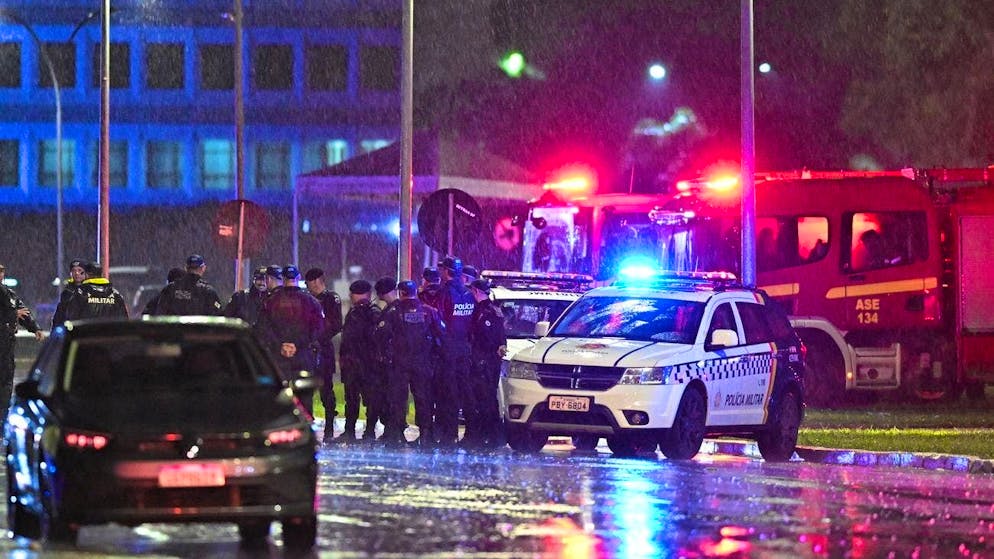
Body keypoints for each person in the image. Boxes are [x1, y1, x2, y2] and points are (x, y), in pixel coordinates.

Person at [377, 280, 444, 448]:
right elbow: (441, 335)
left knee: (398, 399)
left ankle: (397, 435)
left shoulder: (394, 312)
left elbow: (381, 335)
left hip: (400, 363)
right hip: (422, 363)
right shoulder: (429, 312)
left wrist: (386, 354)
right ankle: (426, 435)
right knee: (424, 399)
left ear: (401, 293)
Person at [254, 265, 325, 416]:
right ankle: (305, 431)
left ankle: (283, 431)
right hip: (303, 355)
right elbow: (317, 329)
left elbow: (263, 329)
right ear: (298, 278)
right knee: (304, 396)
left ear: (283, 279)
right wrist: (298, 345)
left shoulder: (270, 301)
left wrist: (280, 345)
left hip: (278, 356)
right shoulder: (311, 302)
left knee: (280, 396)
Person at [434, 256, 476, 448]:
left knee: (448, 393)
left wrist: (439, 341)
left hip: (448, 350)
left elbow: (439, 320)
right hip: (464, 349)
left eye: (442, 269)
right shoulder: (468, 293)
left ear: (447, 271)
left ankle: (449, 434)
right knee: (465, 392)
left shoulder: (444, 292)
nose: (440, 272)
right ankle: (472, 432)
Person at [338, 280, 382, 443]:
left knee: (370, 400)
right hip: (353, 364)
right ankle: (351, 431)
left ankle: (368, 432)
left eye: (353, 293)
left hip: (367, 365)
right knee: (352, 400)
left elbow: (374, 339)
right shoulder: (355, 311)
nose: (350, 296)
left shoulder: (372, 312)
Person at [0, 263, 44, 428]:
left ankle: (2, 419)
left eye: (2, 271)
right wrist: (11, 315)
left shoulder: (8, 293)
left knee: (5, 382)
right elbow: (14, 312)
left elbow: (23, 311)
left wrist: (35, 328)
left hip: (6, 344)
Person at [466, 278, 507, 449]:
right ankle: (487, 436)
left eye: (471, 291)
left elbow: (488, 339)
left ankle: (489, 436)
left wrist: (479, 357)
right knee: (485, 399)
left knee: (485, 399)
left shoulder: (487, 312)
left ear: (476, 292)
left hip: (485, 362)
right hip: (486, 361)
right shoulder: (491, 310)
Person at [304, 267, 344, 437]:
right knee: (305, 389)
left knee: (326, 389)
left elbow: (335, 324)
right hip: (306, 349)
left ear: (316, 282)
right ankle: (307, 426)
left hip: (323, 349)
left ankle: (329, 428)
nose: (308, 287)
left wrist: (318, 338)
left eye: (309, 284)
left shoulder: (331, 299)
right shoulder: (305, 298)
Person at [153, 254, 223, 316]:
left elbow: (160, 313)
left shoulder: (171, 288)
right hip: (198, 330)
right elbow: (217, 316)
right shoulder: (208, 292)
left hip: (174, 330)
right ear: (203, 268)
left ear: (186, 268)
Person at [63, 262, 129, 321]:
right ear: (101, 274)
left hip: (87, 333)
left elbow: (71, 319)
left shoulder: (80, 293)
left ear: (87, 275)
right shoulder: (115, 294)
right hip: (110, 333)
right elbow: (124, 320)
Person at [52, 259, 88, 328]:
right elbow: (60, 312)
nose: (77, 273)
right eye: (74, 271)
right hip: (71, 327)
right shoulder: (67, 291)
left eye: (80, 270)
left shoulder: (90, 289)